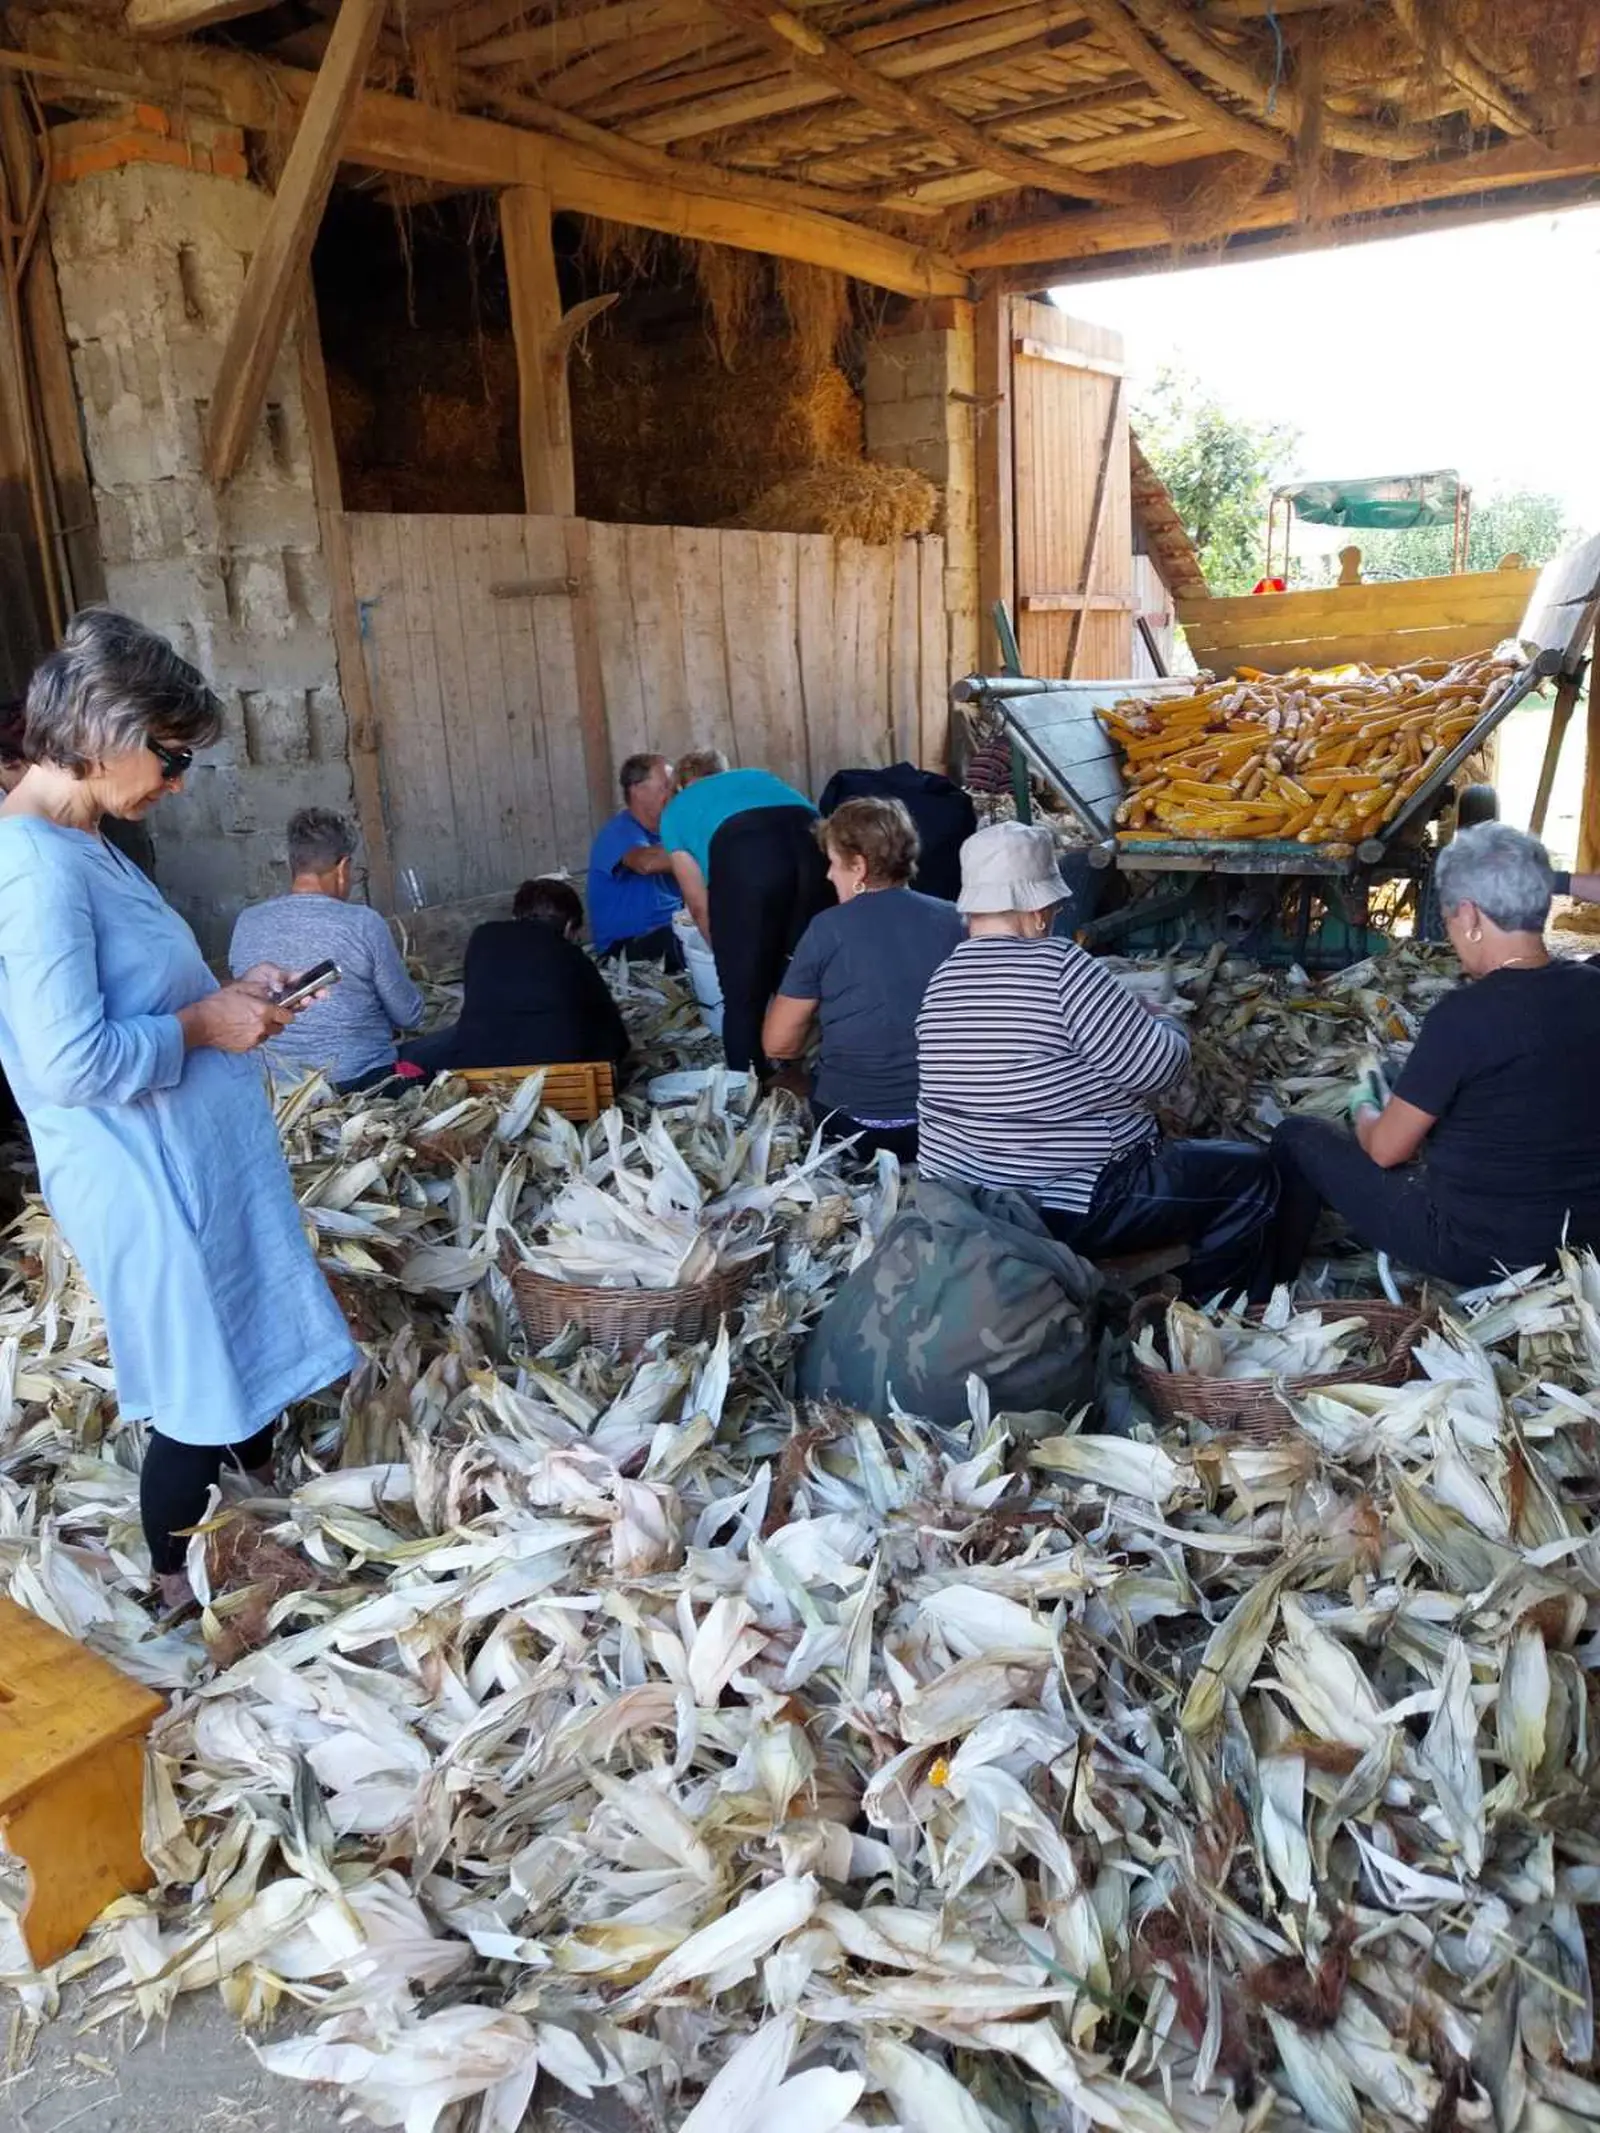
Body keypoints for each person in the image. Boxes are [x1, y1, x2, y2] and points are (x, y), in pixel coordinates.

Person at [0, 609, 358, 1607]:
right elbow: (70, 1061)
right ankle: (176, 1589)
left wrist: (242, 994)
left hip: (188, 1151)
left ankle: (257, 1534)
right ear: (105, 731)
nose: (177, 779)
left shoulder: (89, 844)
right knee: (200, 1386)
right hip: (142, 1172)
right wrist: (205, 1025)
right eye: (169, 755)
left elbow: (141, 995)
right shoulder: (31, 870)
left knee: (239, 1350)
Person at [916, 821, 1278, 1299]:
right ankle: (1207, 1316)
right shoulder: (1059, 966)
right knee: (1251, 1175)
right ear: (1040, 908)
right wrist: (1166, 1021)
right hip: (1067, 1205)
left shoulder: (945, 978)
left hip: (967, 1201)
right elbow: (1159, 1070)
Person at [1271, 823, 1600, 1286]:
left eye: (1447, 921)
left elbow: (1386, 1151)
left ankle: (1267, 1292)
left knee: (1295, 1137)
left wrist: (1365, 1105)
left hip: (1481, 1250)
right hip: (1586, 1243)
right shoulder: (1593, 986)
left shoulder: (1463, 1017)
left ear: (1469, 916)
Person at [761, 797, 963, 1162]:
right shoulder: (955, 919)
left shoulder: (827, 929)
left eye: (835, 864)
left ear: (859, 866)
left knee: (786, 1075)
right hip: (944, 1126)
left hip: (854, 1127)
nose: (828, 875)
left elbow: (778, 1044)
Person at [660, 748, 830, 1075]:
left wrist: (727, 955)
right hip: (816, 848)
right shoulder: (758, 777)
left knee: (741, 999)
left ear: (682, 784)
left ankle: (749, 1093)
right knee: (812, 974)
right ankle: (822, 1071)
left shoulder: (676, 811)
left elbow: (697, 903)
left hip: (748, 859)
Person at [229, 807, 424, 1093]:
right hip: (359, 1083)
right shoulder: (363, 922)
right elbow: (409, 1015)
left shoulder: (247, 920)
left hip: (274, 1092)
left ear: (293, 865)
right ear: (344, 868)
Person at [399, 875, 628, 1077]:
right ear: (569, 926)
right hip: (565, 1086)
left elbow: (478, 1006)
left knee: (411, 1053)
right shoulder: (574, 957)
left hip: (482, 1078)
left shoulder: (483, 938)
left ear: (516, 916)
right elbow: (617, 1040)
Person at [587, 753, 685, 965]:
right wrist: (712, 849)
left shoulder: (670, 833)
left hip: (668, 935)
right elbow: (646, 863)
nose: (675, 792)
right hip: (622, 951)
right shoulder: (620, 831)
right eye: (666, 786)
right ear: (638, 790)